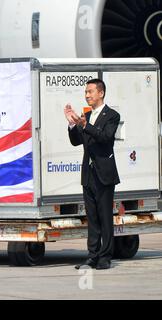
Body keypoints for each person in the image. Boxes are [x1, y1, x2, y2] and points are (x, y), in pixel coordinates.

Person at [64, 79, 120, 270]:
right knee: (92, 218)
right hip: (88, 174)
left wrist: (85, 125)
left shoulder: (111, 115)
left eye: (90, 92)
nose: (87, 95)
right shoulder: (85, 116)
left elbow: (105, 137)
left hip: (104, 174)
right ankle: (92, 255)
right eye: (86, 93)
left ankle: (105, 257)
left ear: (101, 93)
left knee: (105, 217)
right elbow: (76, 141)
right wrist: (73, 125)